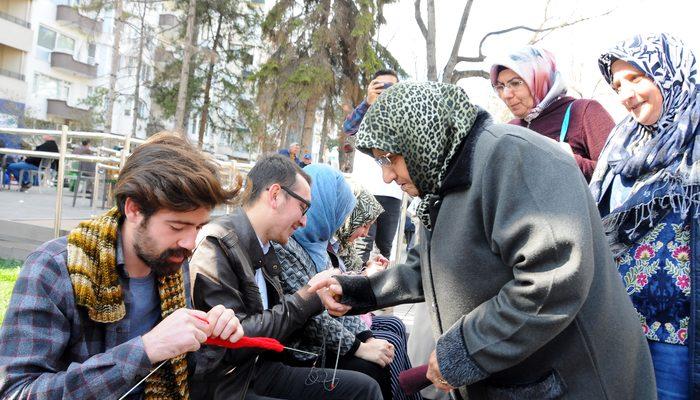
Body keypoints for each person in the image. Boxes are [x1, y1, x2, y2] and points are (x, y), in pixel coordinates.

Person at [311, 81, 656, 399]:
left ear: (418, 136)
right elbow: (427, 268)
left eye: (389, 159)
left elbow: (553, 280)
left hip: (571, 381)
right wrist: (358, 291)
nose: (387, 177)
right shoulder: (444, 179)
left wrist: (464, 349)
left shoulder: (515, 159)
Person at [0, 132, 245, 399]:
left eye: (198, 227)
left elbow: (181, 372)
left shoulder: (171, 264)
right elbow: (17, 391)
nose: (190, 242)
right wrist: (144, 349)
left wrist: (212, 337)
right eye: (177, 226)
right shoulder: (53, 269)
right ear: (133, 209)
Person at [187, 154, 382, 400]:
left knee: (365, 388)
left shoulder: (267, 245)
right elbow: (234, 345)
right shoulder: (217, 245)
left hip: (261, 370)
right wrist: (309, 297)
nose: (304, 221)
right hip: (232, 384)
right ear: (275, 195)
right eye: (303, 208)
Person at [590, 33, 700, 399]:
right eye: (617, 85)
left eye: (636, 78)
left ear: (667, 72)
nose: (625, 94)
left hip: (682, 337)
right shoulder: (621, 143)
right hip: (620, 330)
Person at [272, 165, 404, 400]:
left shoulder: (317, 244)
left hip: (321, 344)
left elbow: (333, 299)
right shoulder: (286, 245)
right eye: (341, 212)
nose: (303, 220)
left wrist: (366, 337)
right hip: (303, 351)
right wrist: (359, 347)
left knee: (386, 347)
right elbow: (312, 316)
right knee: (372, 371)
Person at [490, 46, 614, 181]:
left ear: (539, 79)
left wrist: (567, 159)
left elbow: (617, 174)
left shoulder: (584, 111)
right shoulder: (511, 130)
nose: (506, 94)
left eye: (515, 83)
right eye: (500, 86)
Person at [344, 69, 404, 263]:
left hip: (393, 192)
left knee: (385, 248)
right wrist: (367, 103)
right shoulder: (365, 113)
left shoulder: (405, 115)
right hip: (365, 191)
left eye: (391, 87)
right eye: (380, 86)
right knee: (360, 246)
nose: (385, 91)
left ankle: (379, 288)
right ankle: (353, 286)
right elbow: (348, 128)